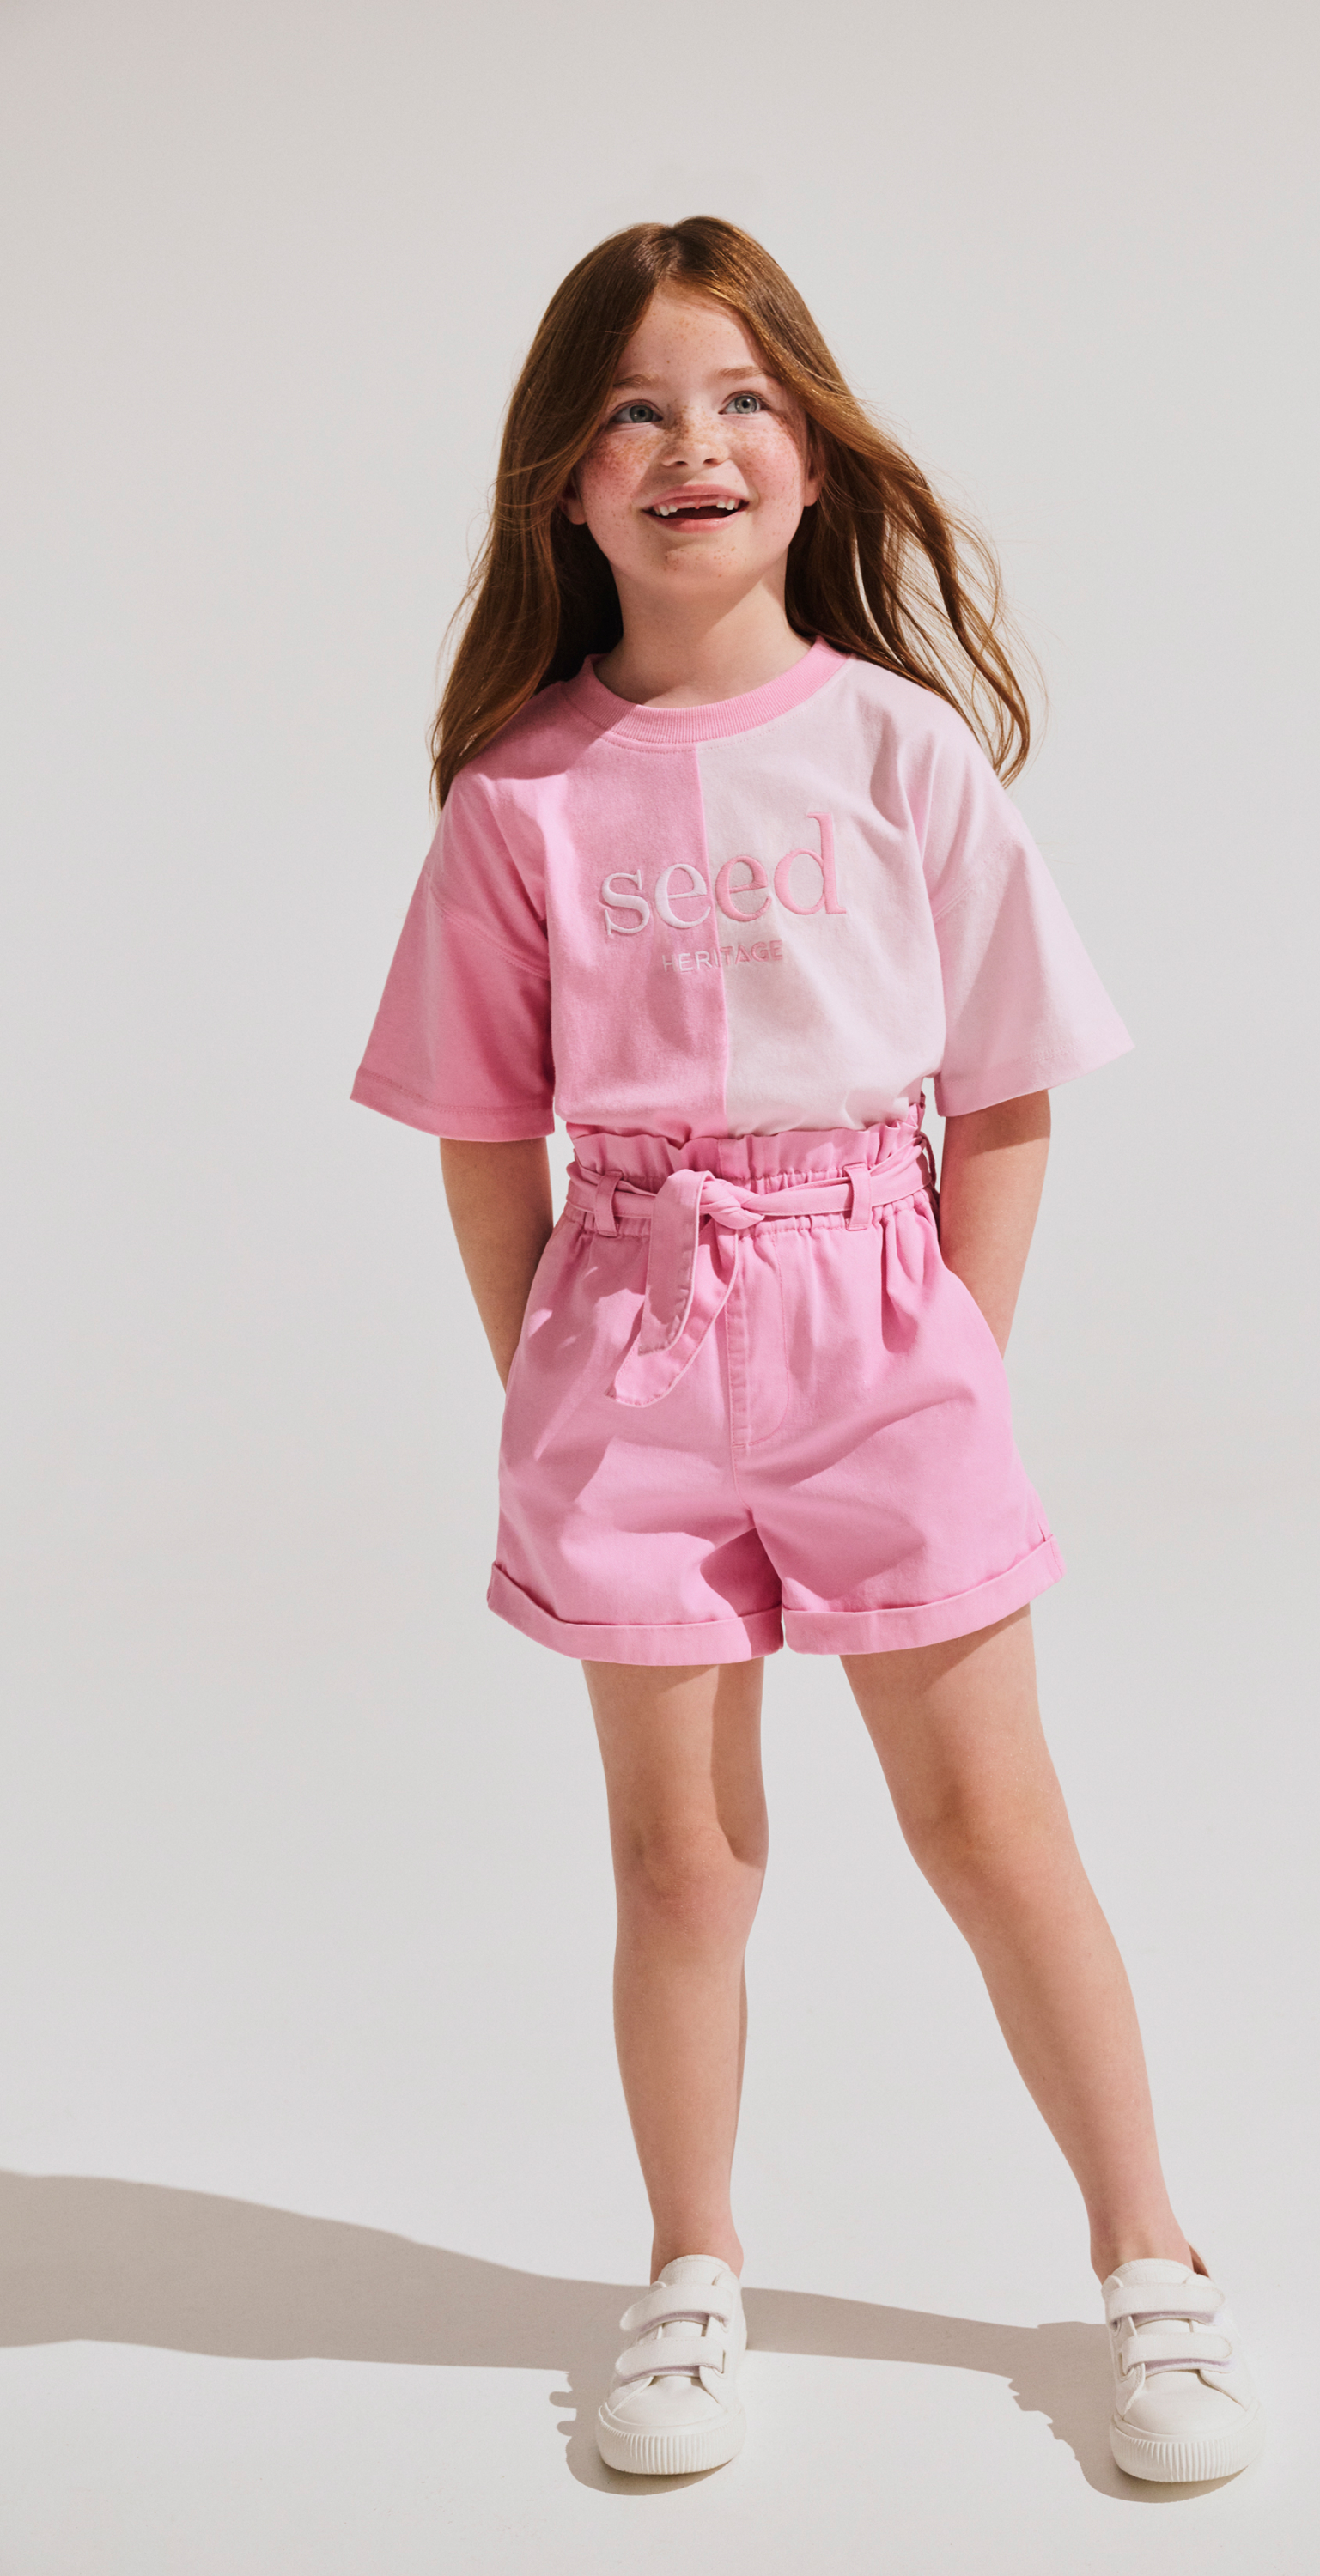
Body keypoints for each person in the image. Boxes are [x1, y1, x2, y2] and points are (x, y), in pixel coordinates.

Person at [352, 216, 1263, 2486]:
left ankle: (1151, 2263)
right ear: (566, 481)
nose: (694, 444)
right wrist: (558, 1373)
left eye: (743, 398)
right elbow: (481, 1141)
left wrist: (950, 1348)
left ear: (816, 454)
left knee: (990, 1822)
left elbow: (1008, 1095)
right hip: (626, 1341)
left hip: (886, 1325)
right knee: (681, 1862)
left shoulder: (898, 751)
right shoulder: (520, 797)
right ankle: (689, 2271)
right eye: (634, 410)